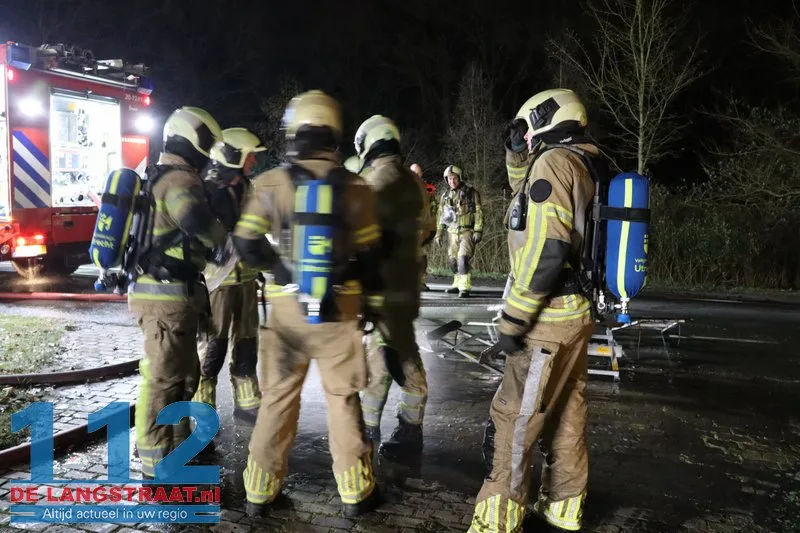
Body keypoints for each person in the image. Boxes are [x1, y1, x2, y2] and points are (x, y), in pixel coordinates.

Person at [233, 90, 384, 517]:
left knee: (278, 398)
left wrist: (281, 272)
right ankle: (356, 494)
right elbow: (372, 256)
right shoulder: (357, 187)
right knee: (343, 398)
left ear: (294, 131)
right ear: (334, 133)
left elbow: (245, 242)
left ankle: (259, 493)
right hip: (341, 311)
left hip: (286, 315)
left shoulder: (270, 183)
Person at [466, 88, 599, 533]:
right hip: (576, 314)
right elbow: (527, 199)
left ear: (541, 119)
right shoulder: (585, 161)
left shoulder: (554, 163)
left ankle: (496, 521)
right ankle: (564, 507)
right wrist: (514, 154)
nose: (524, 138)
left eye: (525, 129)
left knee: (515, 420)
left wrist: (513, 319)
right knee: (566, 414)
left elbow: (547, 247)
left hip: (547, 321)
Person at [128, 106, 228, 480]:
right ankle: (155, 465)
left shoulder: (164, 175)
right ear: (194, 142)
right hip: (165, 297)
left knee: (187, 373)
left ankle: (180, 443)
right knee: (164, 378)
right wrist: (221, 233)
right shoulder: (179, 182)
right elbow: (198, 225)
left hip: (176, 295)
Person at [354, 116, 427, 459]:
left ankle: (367, 435)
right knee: (398, 355)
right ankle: (409, 430)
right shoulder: (413, 183)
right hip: (407, 290)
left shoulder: (372, 182)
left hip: (380, 291)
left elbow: (360, 242)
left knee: (379, 365)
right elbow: (426, 231)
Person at [194, 127, 269, 423]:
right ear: (233, 155)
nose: (254, 162)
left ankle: (248, 401)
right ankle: (203, 409)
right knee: (214, 345)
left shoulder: (246, 188)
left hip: (247, 279)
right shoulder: (207, 189)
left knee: (248, 342)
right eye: (250, 156)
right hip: (218, 281)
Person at [435, 165, 483, 297]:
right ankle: (456, 284)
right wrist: (439, 233)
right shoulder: (445, 196)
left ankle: (464, 286)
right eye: (449, 179)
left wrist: (478, 230)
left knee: (463, 259)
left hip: (467, 231)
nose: (452, 181)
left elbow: (478, 212)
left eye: (454, 178)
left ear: (460, 178)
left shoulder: (471, 193)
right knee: (453, 261)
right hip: (452, 232)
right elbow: (441, 216)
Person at [410, 163, 437, 291]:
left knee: (421, 257)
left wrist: (432, 229)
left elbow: (433, 209)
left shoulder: (429, 189)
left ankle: (420, 282)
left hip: (423, 229)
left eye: (418, 173)